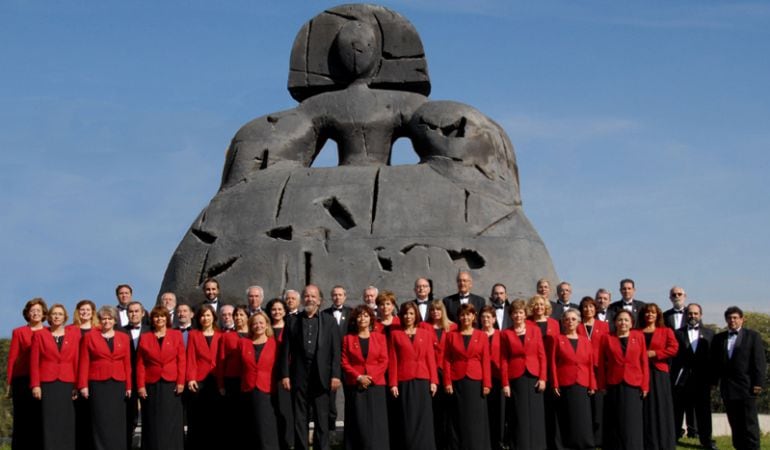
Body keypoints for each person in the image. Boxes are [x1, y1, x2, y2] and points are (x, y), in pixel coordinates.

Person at [279, 284, 342, 450]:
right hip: (299, 376)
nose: (310, 299)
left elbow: (336, 351)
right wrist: (285, 375)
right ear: (302, 299)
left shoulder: (329, 322)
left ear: (319, 301)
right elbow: (285, 351)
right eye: (307, 296)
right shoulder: (292, 321)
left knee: (322, 418)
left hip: (322, 376)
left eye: (313, 296)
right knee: (300, 418)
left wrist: (336, 375)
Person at [711, 306, 766, 450]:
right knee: (734, 423)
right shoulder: (719, 338)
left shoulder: (752, 336)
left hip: (747, 387)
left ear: (742, 319)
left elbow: (759, 361)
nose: (732, 320)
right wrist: (714, 382)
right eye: (729, 318)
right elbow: (715, 363)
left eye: (735, 317)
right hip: (728, 387)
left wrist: (758, 383)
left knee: (749, 423)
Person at [77, 305, 132, 450]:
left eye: (110, 318)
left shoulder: (124, 337)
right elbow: (84, 362)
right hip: (98, 383)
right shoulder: (89, 337)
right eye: (104, 319)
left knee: (117, 420)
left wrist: (129, 386)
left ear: (115, 321)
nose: (107, 321)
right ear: (100, 321)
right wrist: (83, 385)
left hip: (118, 382)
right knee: (100, 419)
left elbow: (127, 363)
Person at [30, 304, 81, 450]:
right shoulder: (40, 335)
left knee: (66, 419)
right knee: (49, 419)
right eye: (54, 314)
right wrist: (35, 385)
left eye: (60, 314)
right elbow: (34, 362)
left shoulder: (73, 335)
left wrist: (77, 385)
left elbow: (76, 360)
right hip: (47, 383)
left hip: (67, 382)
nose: (57, 316)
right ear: (49, 317)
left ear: (65, 317)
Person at [389, 301, 438, 450]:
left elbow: (430, 358)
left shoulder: (426, 333)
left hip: (423, 379)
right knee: (408, 417)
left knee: (424, 418)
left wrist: (434, 381)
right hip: (404, 379)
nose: (408, 316)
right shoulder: (395, 335)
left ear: (415, 314)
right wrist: (393, 383)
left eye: (411, 313)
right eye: (405, 313)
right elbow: (393, 360)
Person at [598, 309, 649, 450]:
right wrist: (601, 384)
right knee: (615, 420)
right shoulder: (607, 338)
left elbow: (644, 361)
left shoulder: (638, 337)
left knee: (632, 421)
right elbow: (602, 363)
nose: (623, 323)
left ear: (632, 323)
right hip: (613, 383)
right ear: (614, 322)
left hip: (633, 383)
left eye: (626, 320)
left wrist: (645, 386)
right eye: (620, 320)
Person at [136, 306, 186, 450]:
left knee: (171, 419)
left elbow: (181, 360)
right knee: (153, 419)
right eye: (156, 316)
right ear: (152, 319)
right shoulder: (145, 338)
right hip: (151, 384)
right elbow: (140, 364)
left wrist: (181, 381)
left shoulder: (175, 335)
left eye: (162, 316)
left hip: (171, 384)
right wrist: (140, 386)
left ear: (167, 318)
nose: (159, 319)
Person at [341, 305, 390, 450]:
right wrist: (359, 377)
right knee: (358, 419)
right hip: (355, 384)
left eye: (366, 316)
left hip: (377, 385)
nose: (363, 318)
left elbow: (384, 360)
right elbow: (344, 361)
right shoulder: (348, 339)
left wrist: (371, 378)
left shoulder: (380, 338)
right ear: (355, 319)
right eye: (359, 316)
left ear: (371, 319)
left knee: (377, 420)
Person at [443, 303, 491, 450]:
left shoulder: (481, 335)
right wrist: (447, 382)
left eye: (468, 314)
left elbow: (486, 360)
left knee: (476, 418)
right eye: (462, 314)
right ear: (458, 317)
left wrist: (487, 384)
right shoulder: (451, 336)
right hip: (457, 381)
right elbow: (446, 360)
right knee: (458, 417)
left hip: (476, 381)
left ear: (473, 316)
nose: (465, 317)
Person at [500, 299, 547, 450]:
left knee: (536, 413)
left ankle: (538, 445)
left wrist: (543, 378)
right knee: (519, 413)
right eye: (515, 313)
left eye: (520, 312)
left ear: (525, 314)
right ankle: (520, 445)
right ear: (511, 315)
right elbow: (504, 360)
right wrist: (505, 383)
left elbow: (542, 356)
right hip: (516, 376)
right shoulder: (506, 334)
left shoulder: (535, 330)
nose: (518, 316)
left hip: (534, 375)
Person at [670, 303, 717, 449]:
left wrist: (713, 380)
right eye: (690, 313)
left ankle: (706, 440)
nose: (693, 316)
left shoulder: (709, 334)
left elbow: (713, 358)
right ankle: (673, 438)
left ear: (700, 315)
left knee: (703, 411)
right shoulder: (677, 333)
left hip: (702, 379)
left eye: (696, 313)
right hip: (682, 379)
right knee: (677, 410)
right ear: (686, 315)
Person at [550, 309, 596, 449]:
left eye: (573, 319)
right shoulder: (558, 339)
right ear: (563, 322)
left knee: (582, 416)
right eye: (567, 319)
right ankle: (567, 444)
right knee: (567, 415)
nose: (570, 322)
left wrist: (592, 384)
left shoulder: (585, 341)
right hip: (565, 382)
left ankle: (584, 443)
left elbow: (590, 363)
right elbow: (553, 362)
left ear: (578, 322)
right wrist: (555, 383)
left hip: (582, 381)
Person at [7, 298, 47, 450]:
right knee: (23, 418)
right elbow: (12, 359)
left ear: (43, 313)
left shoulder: (49, 331)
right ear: (27, 314)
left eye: (38, 310)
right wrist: (9, 383)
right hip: (22, 380)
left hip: (44, 380)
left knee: (40, 417)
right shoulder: (19, 332)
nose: (35, 313)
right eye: (32, 311)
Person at [639, 303, 678, 450]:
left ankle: (664, 440)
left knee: (661, 405)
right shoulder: (636, 331)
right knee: (645, 406)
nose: (650, 315)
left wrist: (656, 353)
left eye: (653, 313)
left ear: (658, 315)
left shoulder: (665, 331)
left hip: (659, 371)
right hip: (641, 372)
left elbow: (674, 349)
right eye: (647, 313)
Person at [239, 312, 280, 449]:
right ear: (250, 326)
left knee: (266, 426)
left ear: (267, 324)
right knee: (250, 426)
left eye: (261, 322)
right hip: (247, 389)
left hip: (267, 389)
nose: (258, 326)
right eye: (255, 323)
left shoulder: (275, 344)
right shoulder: (244, 343)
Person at [420, 299, 457, 450]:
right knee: (433, 409)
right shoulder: (423, 326)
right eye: (433, 310)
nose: (435, 312)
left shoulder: (452, 327)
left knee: (449, 409)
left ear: (443, 311)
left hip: (447, 372)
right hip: (430, 372)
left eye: (438, 309)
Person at [185, 305, 221, 450]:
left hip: (215, 379)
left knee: (215, 416)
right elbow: (191, 357)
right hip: (199, 380)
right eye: (202, 316)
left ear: (213, 317)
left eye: (208, 315)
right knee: (198, 417)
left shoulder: (221, 335)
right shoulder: (194, 334)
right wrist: (191, 378)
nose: (205, 318)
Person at [577, 296, 609, 447]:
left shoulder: (603, 326)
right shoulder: (576, 325)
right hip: (582, 368)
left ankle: (599, 437)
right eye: (585, 307)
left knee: (599, 403)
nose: (588, 309)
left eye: (591, 307)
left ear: (595, 309)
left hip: (599, 368)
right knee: (585, 404)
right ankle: (586, 436)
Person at [216, 304, 249, 448]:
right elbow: (220, 362)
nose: (238, 318)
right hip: (232, 380)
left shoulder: (254, 335)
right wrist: (221, 384)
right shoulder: (227, 337)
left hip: (249, 380)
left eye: (242, 315)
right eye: (236, 315)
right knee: (233, 416)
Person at [322, 285, 352, 438]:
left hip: (348, 360)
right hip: (330, 362)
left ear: (345, 296)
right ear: (331, 297)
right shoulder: (324, 314)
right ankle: (330, 429)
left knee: (351, 395)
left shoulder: (352, 313)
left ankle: (351, 429)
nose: (337, 297)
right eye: (334, 295)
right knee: (330, 397)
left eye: (340, 295)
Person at [119, 300, 149, 449]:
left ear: (143, 313)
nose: (134, 314)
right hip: (127, 377)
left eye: (137, 311)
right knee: (128, 415)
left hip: (147, 378)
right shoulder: (119, 331)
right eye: (131, 311)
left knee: (149, 413)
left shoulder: (150, 331)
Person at [266, 297, 294, 450]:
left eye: (279, 309)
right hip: (269, 374)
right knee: (272, 409)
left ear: (285, 311)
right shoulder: (265, 327)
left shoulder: (291, 327)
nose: (276, 312)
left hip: (286, 375)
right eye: (273, 309)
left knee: (286, 410)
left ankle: (288, 442)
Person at [69, 299, 96, 450]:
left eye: (88, 310)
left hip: (92, 377)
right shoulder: (70, 329)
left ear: (93, 312)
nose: (85, 312)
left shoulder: (98, 330)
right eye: (82, 309)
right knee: (76, 415)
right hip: (73, 375)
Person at [480, 305, 505, 450]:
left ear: (494, 319)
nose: (485, 320)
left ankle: (498, 440)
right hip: (481, 378)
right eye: (483, 317)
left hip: (497, 377)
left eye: (488, 317)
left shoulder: (501, 335)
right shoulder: (476, 334)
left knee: (498, 410)